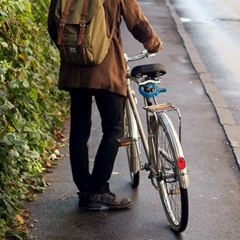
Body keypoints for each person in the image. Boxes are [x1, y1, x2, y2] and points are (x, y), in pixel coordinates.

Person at [47, 0, 163, 210]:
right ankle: (98, 190)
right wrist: (153, 44)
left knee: (80, 131)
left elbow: (53, 26)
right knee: (114, 129)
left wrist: (76, 50)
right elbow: (136, 22)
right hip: (106, 70)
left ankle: (85, 190)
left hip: (74, 70)